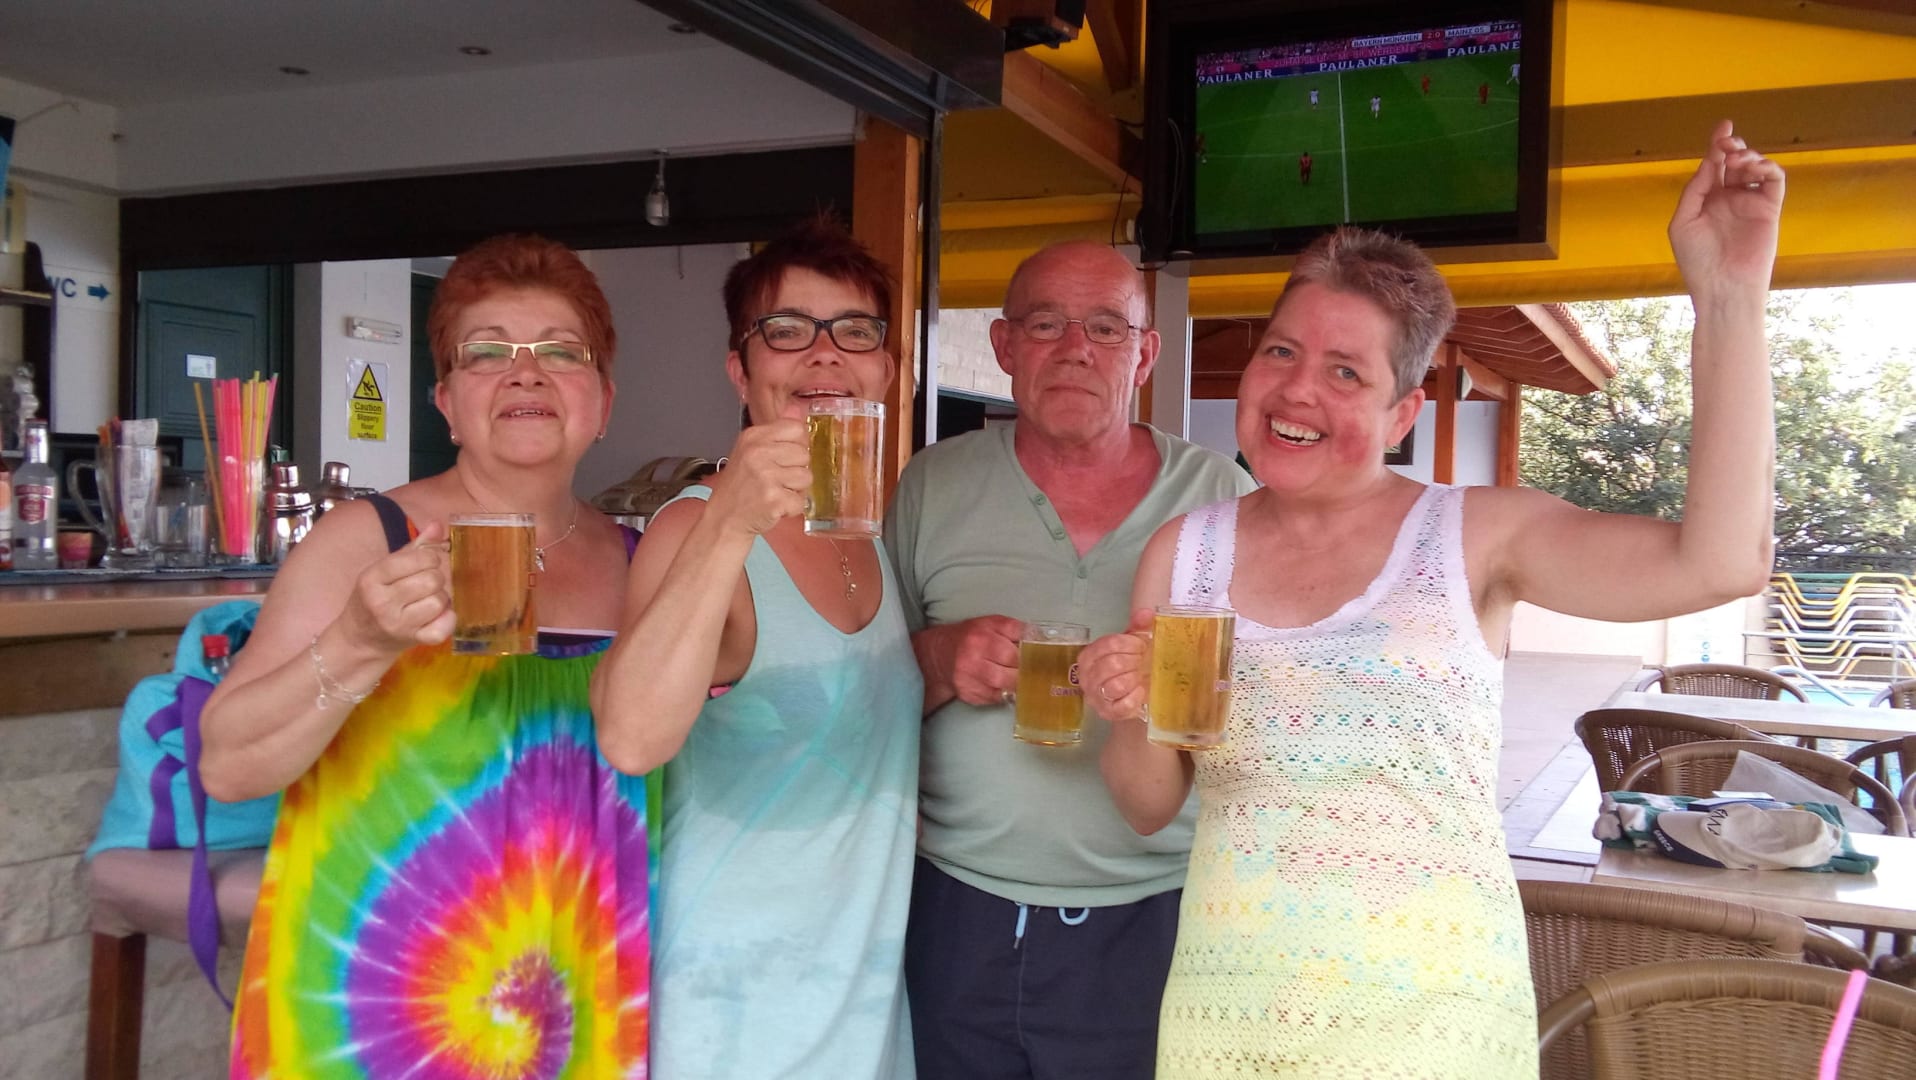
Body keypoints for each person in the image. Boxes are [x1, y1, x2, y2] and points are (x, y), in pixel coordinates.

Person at [1079, 120, 1784, 1078]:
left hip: (1433, 1026)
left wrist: (1729, 298)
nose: (1298, 390)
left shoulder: (1477, 534)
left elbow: (1722, 562)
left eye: (1346, 371)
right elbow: (1148, 805)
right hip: (1231, 1016)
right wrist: (1127, 707)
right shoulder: (1185, 552)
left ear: (1402, 412)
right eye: (1281, 351)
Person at [201, 235, 649, 1077]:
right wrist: (360, 641)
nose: (525, 374)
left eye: (561, 352)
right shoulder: (367, 539)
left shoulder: (642, 562)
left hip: (581, 993)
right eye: (487, 353)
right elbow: (228, 766)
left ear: (604, 401)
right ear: (445, 401)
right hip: (372, 1003)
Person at [886, 241, 1255, 1079]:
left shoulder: (1220, 498)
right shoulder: (932, 485)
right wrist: (940, 659)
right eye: (1046, 323)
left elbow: (1262, 708)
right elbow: (867, 687)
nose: (1076, 348)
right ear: (1004, 345)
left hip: (1156, 915)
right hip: (954, 913)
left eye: (1106, 327)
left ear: (1145, 354)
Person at [591, 216, 919, 1078]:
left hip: (861, 1011)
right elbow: (631, 735)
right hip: (735, 1021)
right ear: (741, 370)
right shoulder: (695, 527)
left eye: (855, 331)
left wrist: (950, 657)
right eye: (787, 330)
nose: (825, 354)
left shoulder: (864, 530)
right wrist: (731, 519)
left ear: (886, 370)